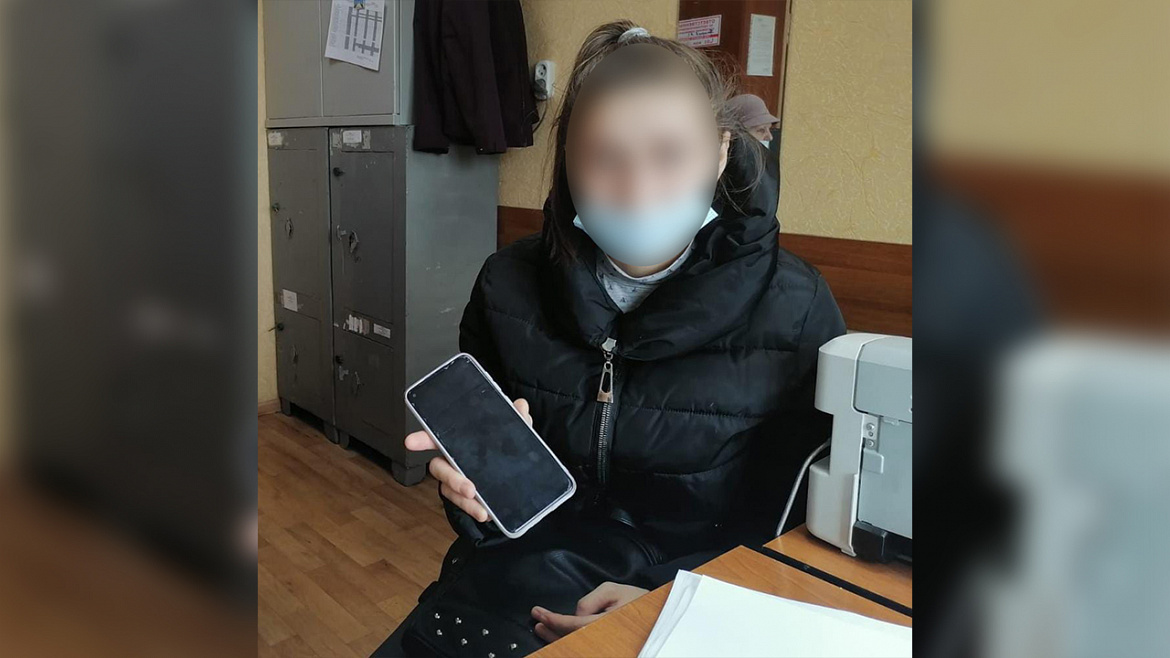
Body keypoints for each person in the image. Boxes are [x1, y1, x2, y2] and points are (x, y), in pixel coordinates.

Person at [378, 21, 844, 657]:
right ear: (567, 160)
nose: (637, 191)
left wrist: (666, 598)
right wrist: (473, 497)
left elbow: (799, 525)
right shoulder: (507, 285)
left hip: (696, 599)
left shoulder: (796, 307)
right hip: (519, 577)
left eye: (670, 155)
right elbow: (491, 496)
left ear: (719, 153)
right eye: (603, 158)